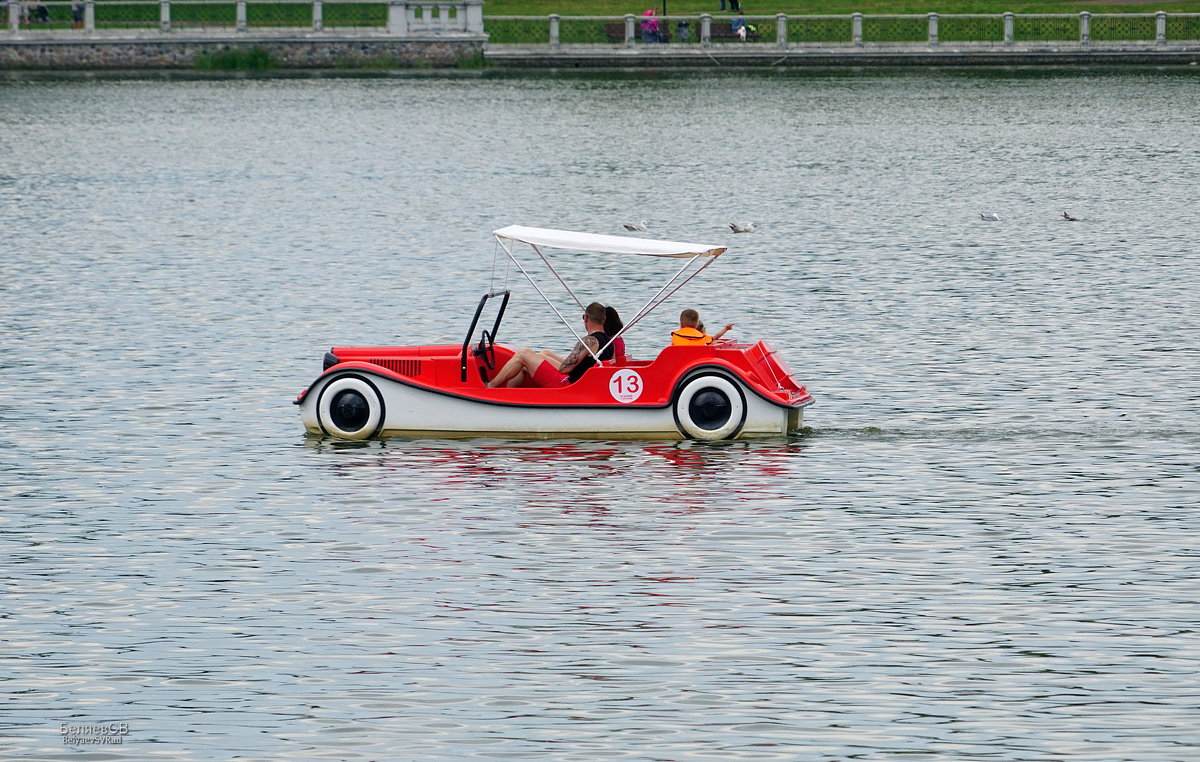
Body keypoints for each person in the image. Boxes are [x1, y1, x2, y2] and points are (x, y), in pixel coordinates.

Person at [487, 302, 611, 388]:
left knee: (523, 355)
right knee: (543, 354)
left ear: (586, 319)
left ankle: (491, 386)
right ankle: (510, 396)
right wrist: (544, 358)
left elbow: (565, 369)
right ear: (603, 320)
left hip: (568, 384)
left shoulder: (589, 341)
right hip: (582, 379)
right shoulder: (609, 342)